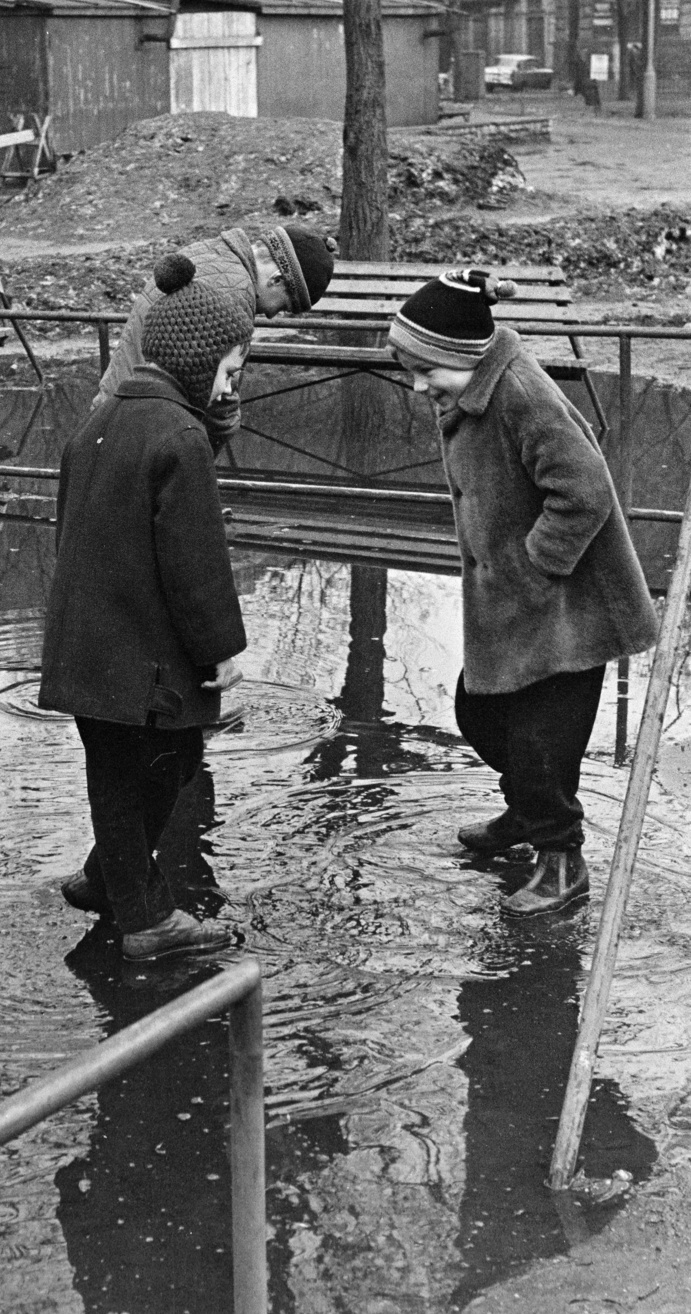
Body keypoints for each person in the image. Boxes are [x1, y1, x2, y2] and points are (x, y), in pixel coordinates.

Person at [387, 268, 658, 915]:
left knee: (541, 741)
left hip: (569, 608)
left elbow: (585, 489)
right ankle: (527, 812)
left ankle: (561, 864)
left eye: (427, 370)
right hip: (519, 603)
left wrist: (537, 563)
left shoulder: (520, 394)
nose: (418, 385)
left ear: (464, 357)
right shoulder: (473, 389)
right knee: (479, 712)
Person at [39, 253, 252, 961]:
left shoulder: (98, 423)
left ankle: (108, 879)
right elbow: (196, 564)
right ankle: (146, 920)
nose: (229, 387)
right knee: (170, 761)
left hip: (83, 648)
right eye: (227, 371)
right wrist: (220, 651)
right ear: (195, 364)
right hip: (142, 658)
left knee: (112, 771)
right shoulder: (179, 438)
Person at [94, 222, 338, 451]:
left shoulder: (211, 251)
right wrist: (222, 434)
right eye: (284, 305)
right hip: (143, 434)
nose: (274, 315)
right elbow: (214, 391)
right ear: (276, 279)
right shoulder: (236, 292)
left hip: (113, 409)